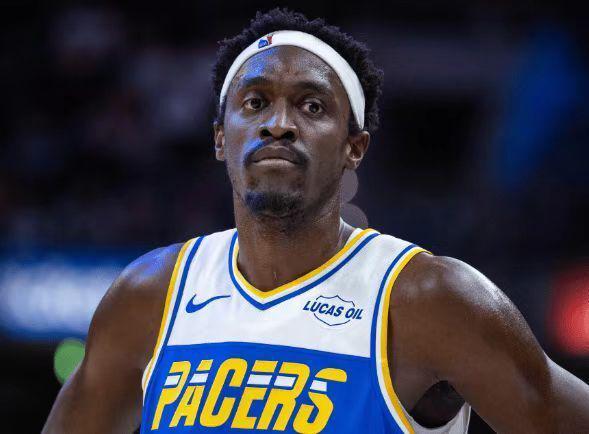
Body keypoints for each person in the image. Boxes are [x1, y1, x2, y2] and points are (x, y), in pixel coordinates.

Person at [43, 7, 589, 434]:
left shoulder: (430, 299)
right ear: (220, 137)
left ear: (355, 147)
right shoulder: (149, 295)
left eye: (312, 106)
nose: (278, 124)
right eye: (255, 102)